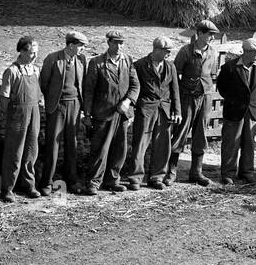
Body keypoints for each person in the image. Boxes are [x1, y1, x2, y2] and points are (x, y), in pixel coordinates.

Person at [79, 30, 140, 195]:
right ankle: (93, 182)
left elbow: (135, 85)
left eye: (122, 43)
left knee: (119, 149)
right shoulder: (97, 63)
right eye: (116, 43)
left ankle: (112, 180)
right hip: (102, 113)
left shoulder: (127, 60)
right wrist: (88, 115)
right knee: (100, 149)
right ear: (109, 43)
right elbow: (89, 90)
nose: (119, 46)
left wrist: (128, 101)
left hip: (122, 114)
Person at [122, 36, 182, 190]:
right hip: (146, 109)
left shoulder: (170, 67)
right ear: (156, 49)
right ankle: (135, 178)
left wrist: (177, 111)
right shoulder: (140, 65)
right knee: (140, 143)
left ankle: (157, 177)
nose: (169, 54)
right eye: (166, 51)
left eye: (170, 51)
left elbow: (175, 91)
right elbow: (134, 88)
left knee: (163, 145)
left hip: (165, 110)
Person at [37, 31, 88, 194]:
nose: (83, 49)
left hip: (75, 105)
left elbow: (82, 83)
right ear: (71, 45)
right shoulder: (53, 58)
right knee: (53, 144)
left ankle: (71, 180)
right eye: (80, 46)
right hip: (57, 106)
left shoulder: (81, 60)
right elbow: (44, 83)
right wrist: (53, 101)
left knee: (72, 143)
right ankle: (47, 182)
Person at [170, 20, 219, 186]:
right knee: (180, 132)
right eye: (209, 34)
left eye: (213, 35)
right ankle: (171, 171)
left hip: (205, 97)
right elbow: (175, 74)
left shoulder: (213, 52)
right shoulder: (186, 51)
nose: (211, 38)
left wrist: (208, 91)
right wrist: (179, 95)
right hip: (187, 97)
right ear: (200, 33)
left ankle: (196, 172)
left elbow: (213, 75)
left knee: (201, 134)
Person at [0, 36, 43, 202]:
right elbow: (4, 98)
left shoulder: (36, 70)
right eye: (31, 53)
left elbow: (38, 93)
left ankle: (29, 185)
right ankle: (8, 188)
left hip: (34, 113)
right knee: (14, 152)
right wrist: (11, 116)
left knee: (32, 149)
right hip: (17, 115)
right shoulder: (12, 71)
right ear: (22, 52)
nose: (34, 56)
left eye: (36, 53)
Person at [216, 36, 256, 185]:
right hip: (234, 110)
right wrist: (235, 101)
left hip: (251, 111)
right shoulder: (229, 68)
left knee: (249, 143)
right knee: (231, 142)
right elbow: (223, 88)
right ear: (246, 51)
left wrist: (250, 102)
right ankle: (228, 173)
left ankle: (247, 172)